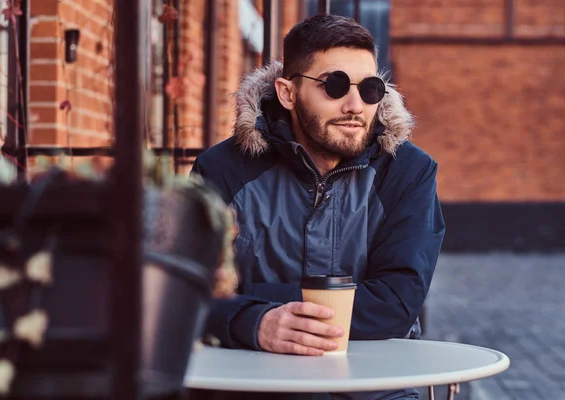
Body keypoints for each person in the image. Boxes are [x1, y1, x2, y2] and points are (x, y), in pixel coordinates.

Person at [189, 13, 445, 400]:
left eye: (371, 88)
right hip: (253, 385)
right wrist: (253, 322)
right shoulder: (223, 169)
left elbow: (396, 303)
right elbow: (187, 291)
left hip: (375, 389)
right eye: (335, 85)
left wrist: (253, 299)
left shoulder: (408, 171)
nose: (355, 105)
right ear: (287, 93)